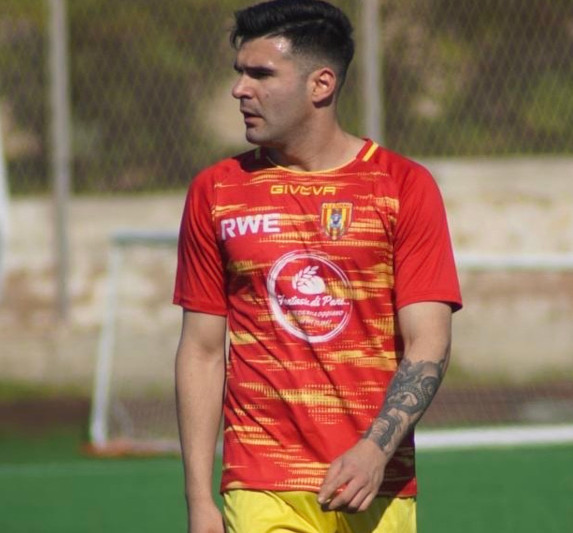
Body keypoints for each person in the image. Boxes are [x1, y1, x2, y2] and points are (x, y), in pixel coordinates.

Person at [173, 1, 462, 531]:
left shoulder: (404, 187)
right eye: (239, 73)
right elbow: (202, 349)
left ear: (321, 84)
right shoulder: (216, 191)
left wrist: (375, 450)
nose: (240, 89)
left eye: (261, 74)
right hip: (261, 481)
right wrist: (198, 499)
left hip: (377, 481)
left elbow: (428, 341)